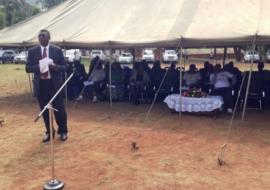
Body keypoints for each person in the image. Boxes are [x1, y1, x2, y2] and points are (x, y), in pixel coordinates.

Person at [26, 29, 68, 143]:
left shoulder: (57, 50)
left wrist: (55, 67)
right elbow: (28, 68)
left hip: (54, 84)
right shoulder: (32, 51)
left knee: (59, 109)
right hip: (41, 84)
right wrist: (39, 67)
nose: (41, 38)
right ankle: (50, 132)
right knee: (45, 110)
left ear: (49, 38)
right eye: (39, 36)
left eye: (43, 36)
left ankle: (63, 131)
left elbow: (64, 67)